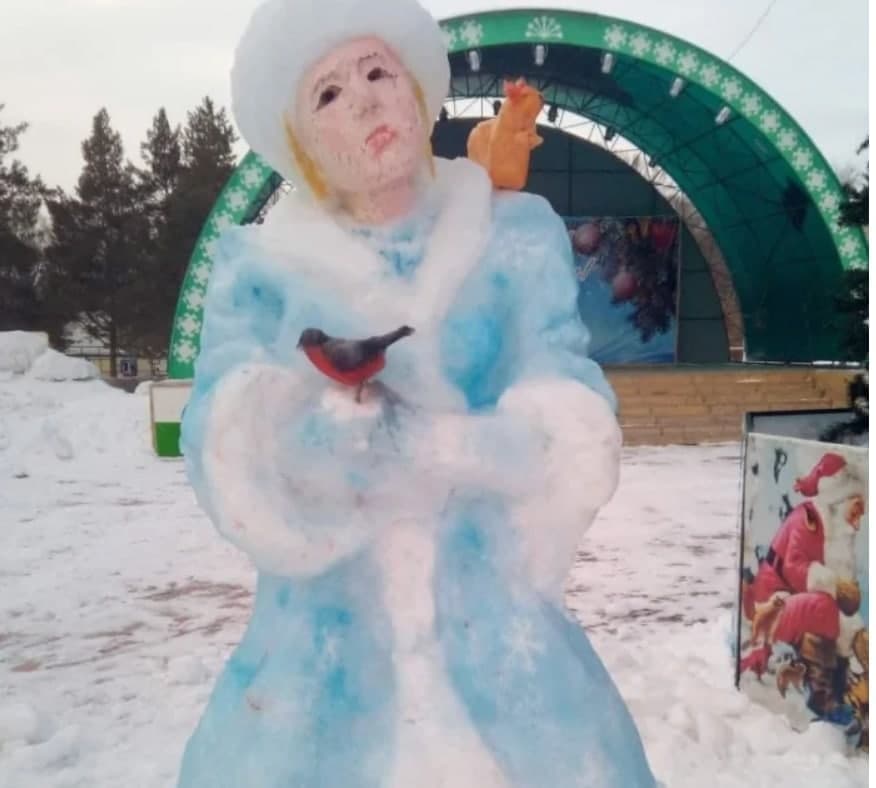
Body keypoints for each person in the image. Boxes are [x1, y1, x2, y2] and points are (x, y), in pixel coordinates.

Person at [177, 0, 656, 785]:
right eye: (328, 94)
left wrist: (435, 446)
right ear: (299, 140)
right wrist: (320, 443)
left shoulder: (515, 233)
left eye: (377, 72)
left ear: (418, 85)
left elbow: (570, 422)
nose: (365, 101)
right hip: (323, 650)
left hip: (494, 630)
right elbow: (221, 440)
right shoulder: (258, 266)